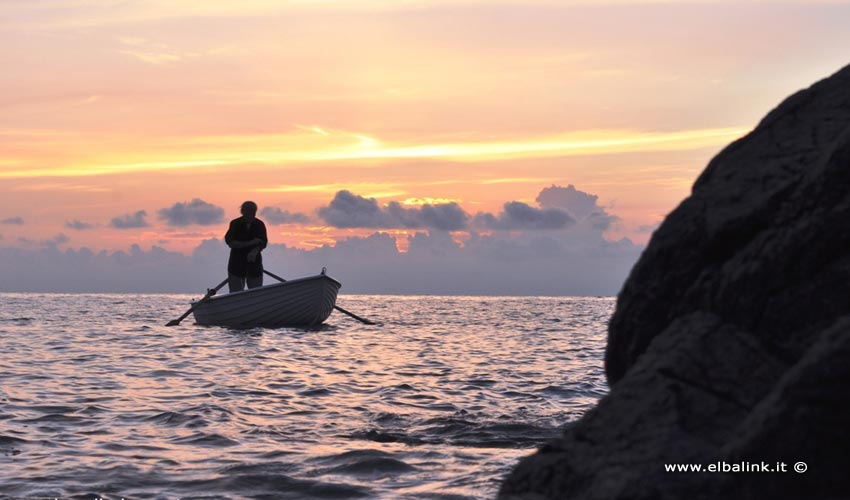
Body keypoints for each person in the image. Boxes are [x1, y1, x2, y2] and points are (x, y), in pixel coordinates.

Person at [224, 201, 268, 293]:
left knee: (256, 294)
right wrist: (252, 242)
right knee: (235, 295)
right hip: (236, 265)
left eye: (252, 212)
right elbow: (231, 243)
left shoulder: (260, 224)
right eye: (248, 212)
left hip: (254, 265)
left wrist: (255, 251)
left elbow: (263, 243)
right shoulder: (235, 224)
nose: (250, 215)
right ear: (242, 212)